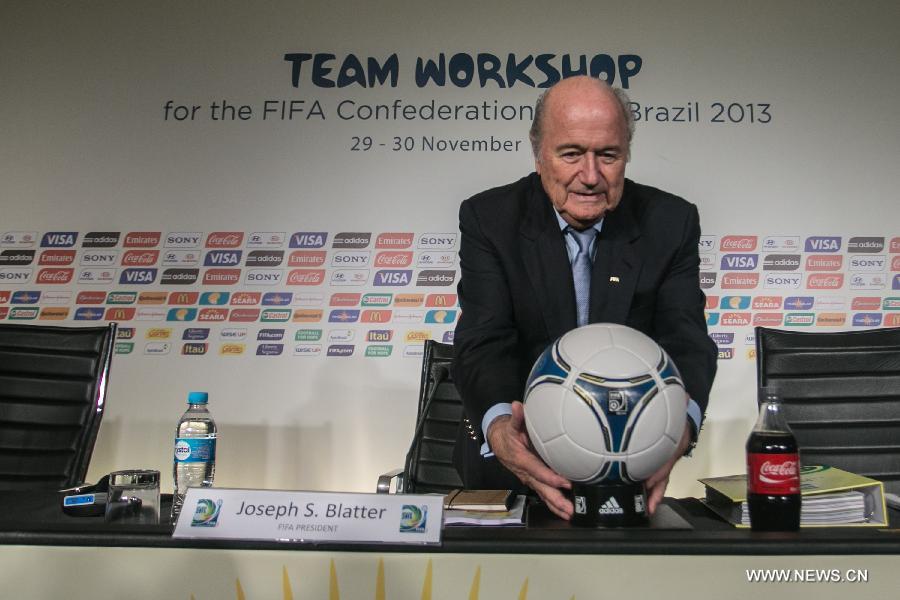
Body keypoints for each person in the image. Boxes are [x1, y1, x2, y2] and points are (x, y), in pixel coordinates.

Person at [451, 76, 718, 520]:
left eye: (608, 156)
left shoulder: (670, 222)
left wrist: (680, 431)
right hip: (515, 467)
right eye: (571, 154)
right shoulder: (489, 218)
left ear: (626, 154)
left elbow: (687, 341)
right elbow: (484, 339)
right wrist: (499, 428)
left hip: (629, 471)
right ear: (539, 155)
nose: (590, 176)